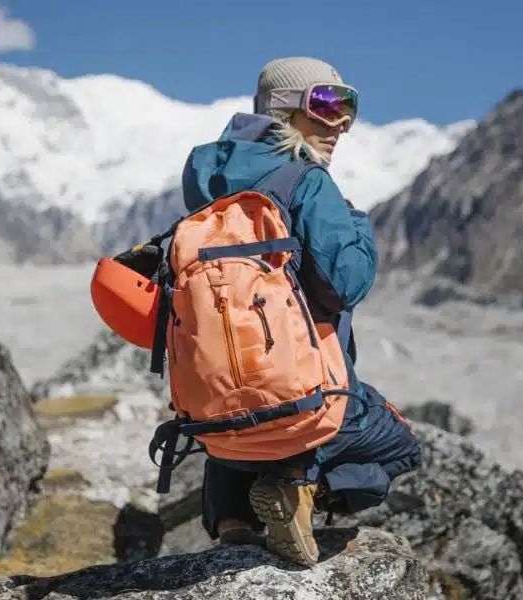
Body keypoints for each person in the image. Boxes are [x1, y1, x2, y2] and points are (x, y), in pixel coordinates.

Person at [168, 56, 423, 566]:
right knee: (398, 446)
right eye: (327, 104)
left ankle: (234, 518)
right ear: (284, 109)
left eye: (348, 106)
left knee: (241, 402)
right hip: (301, 391)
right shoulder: (306, 179)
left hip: (212, 411)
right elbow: (345, 285)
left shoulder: (205, 179)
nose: (342, 122)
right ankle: (295, 490)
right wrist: (356, 224)